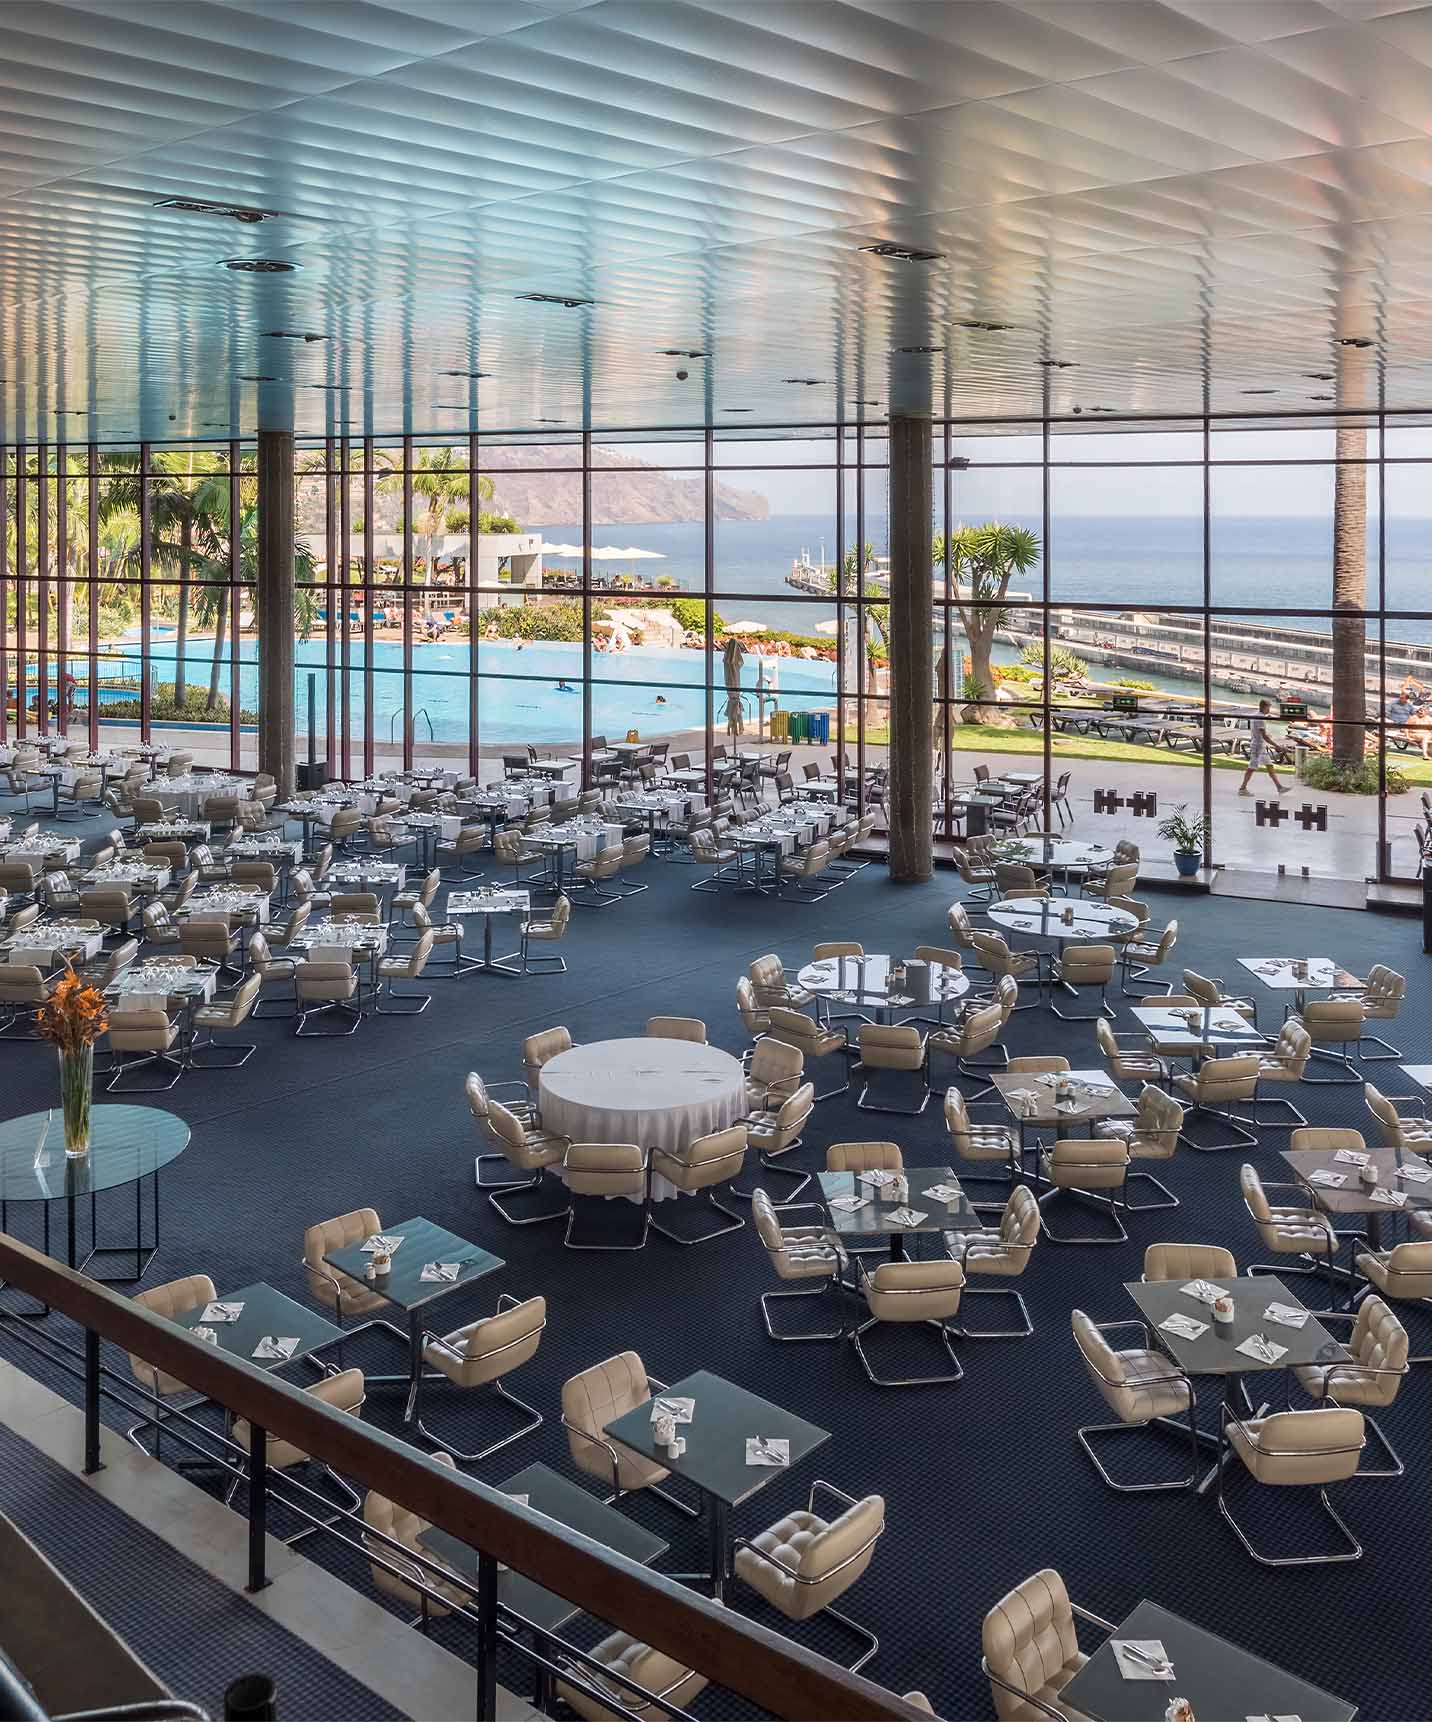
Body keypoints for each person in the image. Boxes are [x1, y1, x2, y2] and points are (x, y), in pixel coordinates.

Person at [1239, 699, 1286, 796]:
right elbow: (1264, 736)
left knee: (1269, 766)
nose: (1269, 709)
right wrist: (1276, 745)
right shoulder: (1260, 719)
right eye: (1269, 707)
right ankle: (1242, 788)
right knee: (1252, 767)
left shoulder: (1257, 715)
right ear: (1264, 707)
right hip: (1258, 746)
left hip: (1261, 746)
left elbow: (1260, 733)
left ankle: (1279, 787)